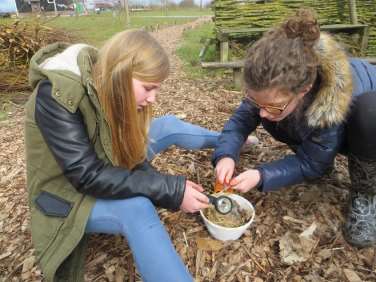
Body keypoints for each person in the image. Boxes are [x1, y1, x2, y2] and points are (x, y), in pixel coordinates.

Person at [25, 30, 223, 282]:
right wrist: (169, 190)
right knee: (137, 209)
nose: (153, 99)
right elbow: (87, 176)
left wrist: (169, 189)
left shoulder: (105, 79)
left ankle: (229, 140)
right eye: (148, 88)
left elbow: (129, 152)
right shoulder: (55, 96)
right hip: (66, 194)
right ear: (122, 74)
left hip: (104, 161)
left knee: (169, 125)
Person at [213, 9, 376, 248]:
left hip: (369, 120)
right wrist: (226, 155)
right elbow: (240, 121)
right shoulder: (272, 87)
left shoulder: (330, 99)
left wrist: (261, 175)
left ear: (305, 89)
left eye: (274, 106)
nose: (262, 113)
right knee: (280, 117)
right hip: (318, 120)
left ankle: (367, 193)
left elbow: (311, 164)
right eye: (256, 101)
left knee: (368, 113)